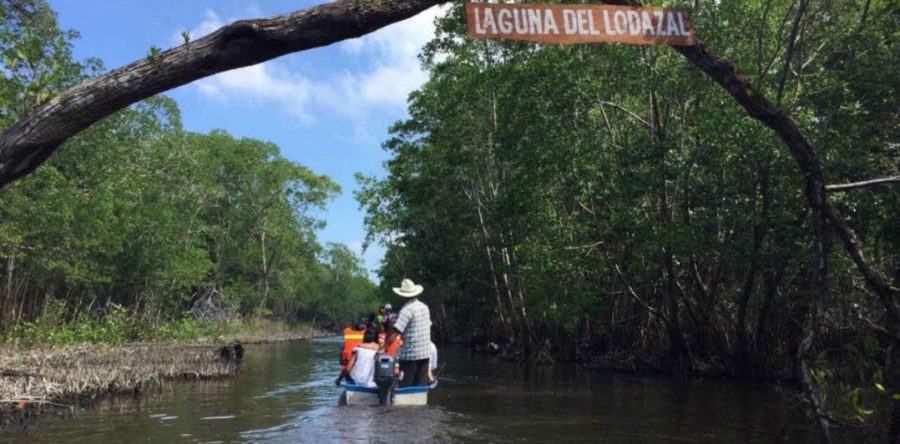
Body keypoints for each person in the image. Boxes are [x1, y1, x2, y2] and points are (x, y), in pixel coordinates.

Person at [381, 278, 433, 387]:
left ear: (402, 296)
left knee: (405, 384)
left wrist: (382, 348)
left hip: (410, 356)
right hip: (425, 354)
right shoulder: (425, 307)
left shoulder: (406, 310)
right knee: (420, 385)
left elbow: (395, 332)